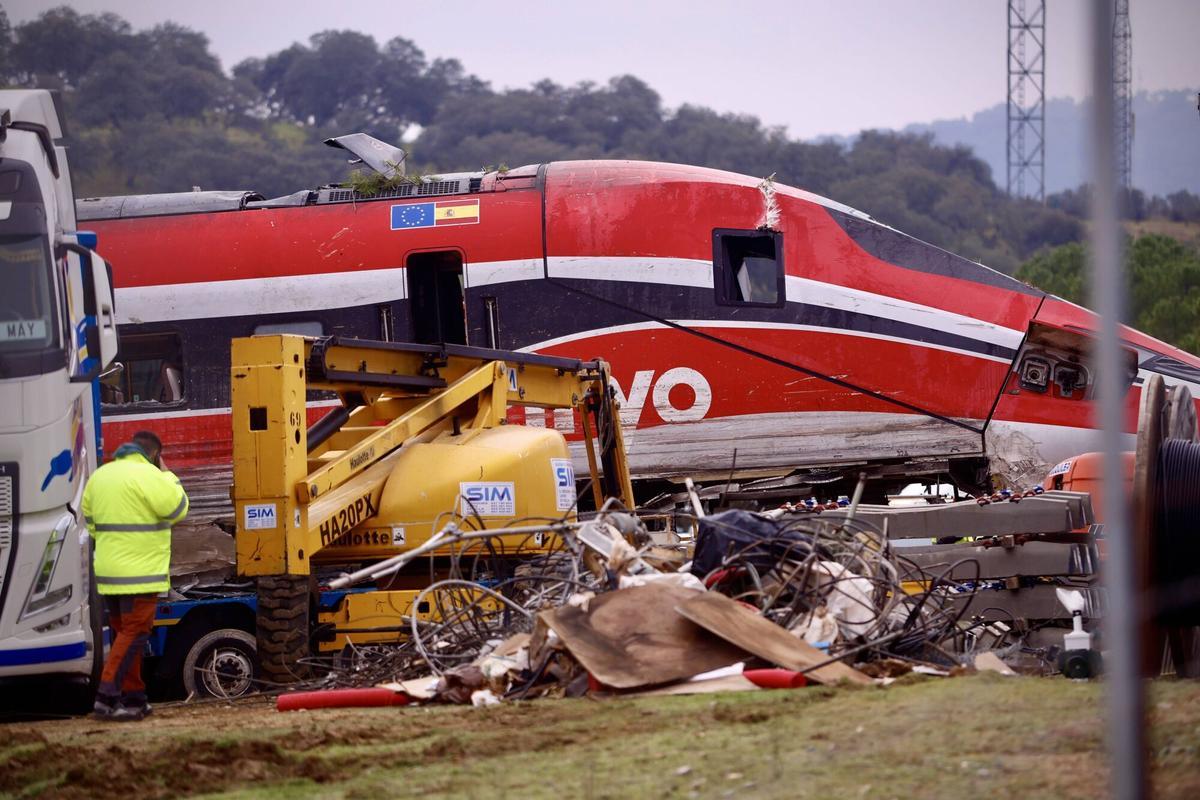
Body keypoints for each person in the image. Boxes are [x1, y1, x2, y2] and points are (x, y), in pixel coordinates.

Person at [82, 430, 188, 721]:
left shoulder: (100, 476)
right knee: (135, 633)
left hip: (107, 572)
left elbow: (91, 523)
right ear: (154, 455)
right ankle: (106, 697)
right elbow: (178, 508)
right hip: (139, 573)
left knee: (124, 636)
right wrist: (167, 475)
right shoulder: (151, 476)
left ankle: (135, 698)